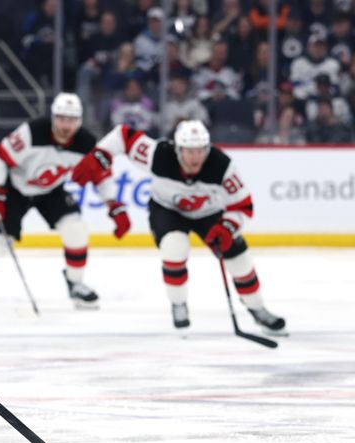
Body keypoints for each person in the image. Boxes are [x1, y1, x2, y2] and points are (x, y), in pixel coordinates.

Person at [87, 119, 286, 334]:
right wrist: (100, 155)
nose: (196, 157)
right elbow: (123, 136)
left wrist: (227, 227)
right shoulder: (159, 154)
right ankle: (178, 304)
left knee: (239, 259)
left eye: (201, 150)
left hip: (210, 213)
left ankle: (257, 309)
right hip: (167, 210)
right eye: (190, 151)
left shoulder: (221, 165)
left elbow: (243, 205)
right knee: (175, 248)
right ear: (179, 149)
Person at [0, 92, 130, 308]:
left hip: (51, 191)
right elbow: (1, 156)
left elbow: (101, 176)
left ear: (80, 121)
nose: (66, 125)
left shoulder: (86, 143)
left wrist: (113, 205)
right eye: (61, 118)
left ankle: (75, 284)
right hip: (15, 189)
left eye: (72, 120)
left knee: (76, 228)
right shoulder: (32, 131)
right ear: (53, 117)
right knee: (0, 244)